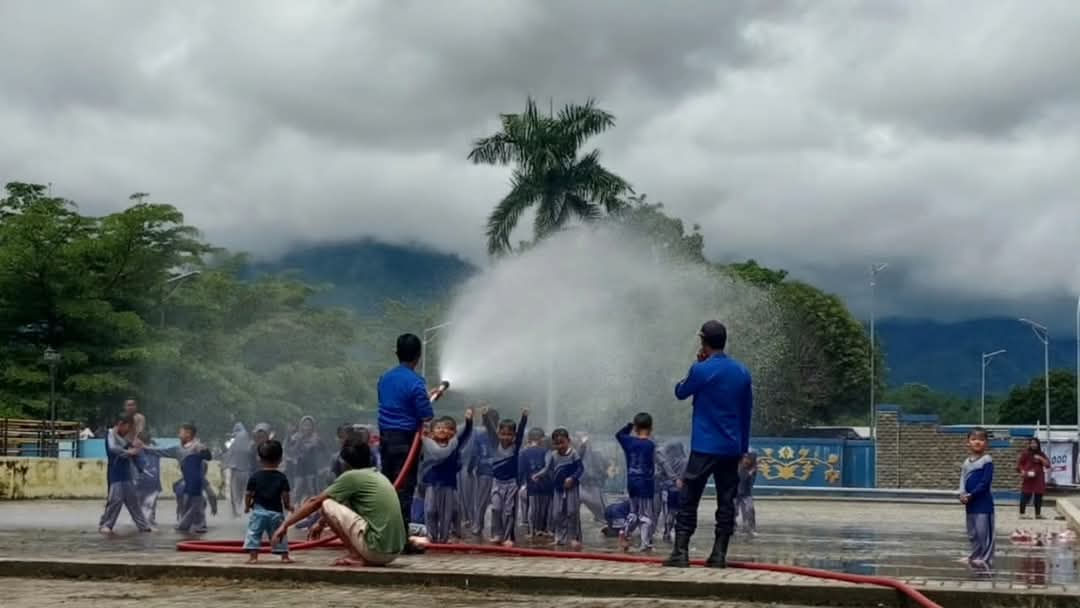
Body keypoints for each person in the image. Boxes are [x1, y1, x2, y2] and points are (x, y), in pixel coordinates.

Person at [664, 320, 753, 569]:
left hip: (704, 447)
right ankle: (719, 555)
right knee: (726, 502)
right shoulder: (742, 371)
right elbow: (747, 413)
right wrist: (743, 448)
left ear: (703, 342)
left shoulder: (701, 369)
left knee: (689, 499)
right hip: (731, 448)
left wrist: (697, 365)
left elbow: (680, 392)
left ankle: (680, 552)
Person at [272, 440, 409, 567]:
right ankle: (361, 554)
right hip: (394, 552)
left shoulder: (351, 476)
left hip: (376, 551)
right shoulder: (377, 475)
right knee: (332, 503)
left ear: (345, 464)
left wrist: (285, 525)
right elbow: (345, 507)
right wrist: (320, 524)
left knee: (326, 503)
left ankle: (355, 556)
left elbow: (316, 502)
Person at [377, 333, 435, 539]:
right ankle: (400, 539)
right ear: (418, 356)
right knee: (403, 490)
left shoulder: (384, 378)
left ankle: (385, 534)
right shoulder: (416, 382)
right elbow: (426, 414)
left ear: (396, 353)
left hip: (385, 440)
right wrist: (427, 398)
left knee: (389, 487)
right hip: (406, 443)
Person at [615, 413, 672, 552]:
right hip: (646, 485)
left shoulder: (628, 441)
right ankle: (645, 544)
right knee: (646, 515)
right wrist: (674, 478)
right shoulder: (651, 445)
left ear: (635, 428)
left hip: (632, 483)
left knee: (633, 512)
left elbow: (619, 434)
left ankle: (624, 532)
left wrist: (630, 425)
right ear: (651, 428)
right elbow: (663, 463)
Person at [143, 423, 213, 534]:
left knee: (197, 504)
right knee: (189, 504)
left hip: (196, 482)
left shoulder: (197, 446)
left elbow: (208, 457)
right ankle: (189, 526)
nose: (179, 435)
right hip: (187, 483)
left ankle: (190, 526)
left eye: (181, 432)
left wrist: (205, 450)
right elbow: (160, 451)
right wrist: (143, 448)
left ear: (188, 434)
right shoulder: (177, 449)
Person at [420, 411, 474, 543]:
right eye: (438, 428)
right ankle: (432, 536)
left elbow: (465, 433)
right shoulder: (427, 445)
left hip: (449, 484)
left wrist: (468, 420)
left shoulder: (454, 444)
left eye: (444, 427)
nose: (442, 430)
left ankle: (443, 539)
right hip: (432, 484)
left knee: (446, 514)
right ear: (432, 433)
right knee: (430, 510)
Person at [98, 414, 152, 534]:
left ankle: (143, 526)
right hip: (115, 475)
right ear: (120, 424)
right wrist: (129, 451)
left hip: (127, 476)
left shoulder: (126, 439)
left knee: (134, 503)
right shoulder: (110, 435)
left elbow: (134, 455)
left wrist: (141, 468)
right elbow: (113, 449)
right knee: (115, 502)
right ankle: (106, 525)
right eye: (128, 426)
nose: (129, 429)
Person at [533, 427, 583, 550]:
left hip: (571, 488)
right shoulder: (554, 455)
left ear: (568, 441)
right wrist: (538, 475)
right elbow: (548, 468)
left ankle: (573, 538)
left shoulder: (573, 453)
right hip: (558, 488)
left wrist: (572, 478)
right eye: (557, 443)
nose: (560, 446)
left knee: (572, 512)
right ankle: (559, 538)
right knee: (557, 513)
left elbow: (580, 469)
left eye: (562, 442)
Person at [484, 408, 528, 546]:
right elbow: (490, 431)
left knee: (509, 511)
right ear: (498, 433)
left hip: (511, 484)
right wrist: (485, 417)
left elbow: (521, 433)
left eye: (509, 434)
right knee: (496, 508)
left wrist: (524, 418)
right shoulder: (494, 444)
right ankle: (497, 534)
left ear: (513, 435)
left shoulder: (515, 447)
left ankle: (508, 536)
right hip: (497, 482)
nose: (506, 437)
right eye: (503, 434)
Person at [244, 439, 293, 563]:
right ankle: (284, 557)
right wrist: (287, 505)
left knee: (254, 533)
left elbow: (249, 493)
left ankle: (253, 557)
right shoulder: (282, 477)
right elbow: (285, 494)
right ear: (280, 459)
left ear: (259, 459)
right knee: (279, 534)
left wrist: (246, 506)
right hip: (276, 512)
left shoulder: (255, 476)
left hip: (258, 511)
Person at [960, 427, 995, 569]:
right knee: (972, 533)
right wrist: (961, 494)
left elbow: (985, 483)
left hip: (983, 504)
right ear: (968, 442)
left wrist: (971, 495)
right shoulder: (966, 462)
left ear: (986, 443)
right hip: (970, 504)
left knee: (983, 532)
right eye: (974, 439)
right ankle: (975, 555)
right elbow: (962, 479)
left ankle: (985, 557)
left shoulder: (987, 460)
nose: (977, 442)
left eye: (981, 439)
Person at [520, 427, 553, 538]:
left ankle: (532, 531)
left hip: (532, 484)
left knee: (533, 508)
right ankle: (544, 530)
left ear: (529, 439)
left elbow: (521, 470)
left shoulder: (524, 453)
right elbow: (548, 467)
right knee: (544, 509)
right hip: (546, 484)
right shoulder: (547, 451)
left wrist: (521, 484)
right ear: (541, 439)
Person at [468, 407, 496, 537]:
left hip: (488, 473)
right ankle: (484, 526)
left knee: (481, 501)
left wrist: (470, 468)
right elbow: (474, 453)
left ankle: (478, 526)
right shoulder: (482, 435)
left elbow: (474, 454)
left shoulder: (496, 435)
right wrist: (470, 467)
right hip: (487, 472)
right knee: (488, 502)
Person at [290, 416, 325, 504]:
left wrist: (323, 468)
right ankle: (295, 509)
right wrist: (299, 440)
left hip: (312, 468)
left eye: (309, 425)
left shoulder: (316, 438)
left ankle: (313, 509)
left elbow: (323, 452)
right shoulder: (295, 437)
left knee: (312, 490)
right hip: (299, 467)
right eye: (304, 425)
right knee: (297, 489)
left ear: (313, 427)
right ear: (301, 426)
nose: (307, 427)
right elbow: (292, 451)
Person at [223, 422, 252, 517]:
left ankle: (236, 510)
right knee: (242, 491)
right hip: (244, 470)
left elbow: (228, 454)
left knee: (234, 491)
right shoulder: (246, 440)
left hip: (235, 469)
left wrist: (225, 465)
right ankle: (239, 509)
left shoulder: (235, 442)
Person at [660, 442, 687, 543]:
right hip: (678, 490)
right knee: (676, 512)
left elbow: (662, 474)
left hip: (666, 489)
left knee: (668, 512)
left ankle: (667, 531)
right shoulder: (684, 461)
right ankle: (676, 533)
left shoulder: (667, 461)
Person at [1017, 438, 1050, 520]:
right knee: (1025, 495)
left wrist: (1040, 458)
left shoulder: (1041, 454)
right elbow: (1019, 464)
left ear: (1038, 444)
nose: (1033, 445)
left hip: (1039, 478)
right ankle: (1022, 514)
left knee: (1038, 495)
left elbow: (1047, 465)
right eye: (1031, 443)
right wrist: (1022, 471)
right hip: (1028, 477)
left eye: (1035, 443)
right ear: (1029, 444)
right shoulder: (1026, 454)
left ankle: (1038, 514)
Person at [134, 431, 162, 528]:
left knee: (140, 505)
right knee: (150, 506)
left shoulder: (137, 451)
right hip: (153, 482)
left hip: (142, 482)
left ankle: (144, 523)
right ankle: (149, 521)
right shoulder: (156, 450)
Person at [735, 452, 757, 535]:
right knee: (733, 510)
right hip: (735, 492)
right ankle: (732, 527)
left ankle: (750, 528)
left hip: (746, 493)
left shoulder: (752, 469)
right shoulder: (738, 466)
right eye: (745, 458)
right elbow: (740, 479)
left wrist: (750, 474)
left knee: (750, 509)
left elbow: (749, 483)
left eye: (749, 459)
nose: (747, 460)